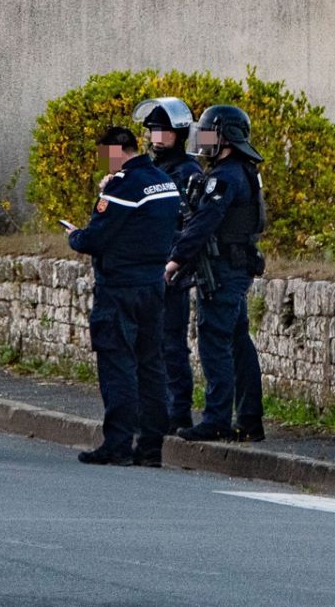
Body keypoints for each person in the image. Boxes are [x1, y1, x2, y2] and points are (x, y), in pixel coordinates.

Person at [67, 127, 180, 466]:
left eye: (104, 153)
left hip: (119, 288)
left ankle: (117, 444)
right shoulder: (164, 182)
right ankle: (150, 446)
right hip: (152, 284)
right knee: (151, 364)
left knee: (117, 363)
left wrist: (74, 236)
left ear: (118, 150)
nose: (103, 161)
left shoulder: (122, 186)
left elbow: (95, 239)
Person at [165, 105, 267, 443]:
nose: (203, 141)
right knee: (237, 341)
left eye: (210, 134)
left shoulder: (226, 177)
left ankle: (217, 419)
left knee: (214, 342)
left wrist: (175, 261)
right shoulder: (243, 171)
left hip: (223, 269)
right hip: (234, 267)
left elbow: (204, 222)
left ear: (226, 137)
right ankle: (249, 419)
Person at [132, 97, 204, 432]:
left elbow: (188, 222)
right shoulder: (151, 168)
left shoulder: (188, 171)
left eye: (163, 131)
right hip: (146, 266)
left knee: (171, 344)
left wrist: (174, 262)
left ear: (179, 132)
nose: (157, 138)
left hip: (171, 269)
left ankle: (178, 412)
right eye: (152, 131)